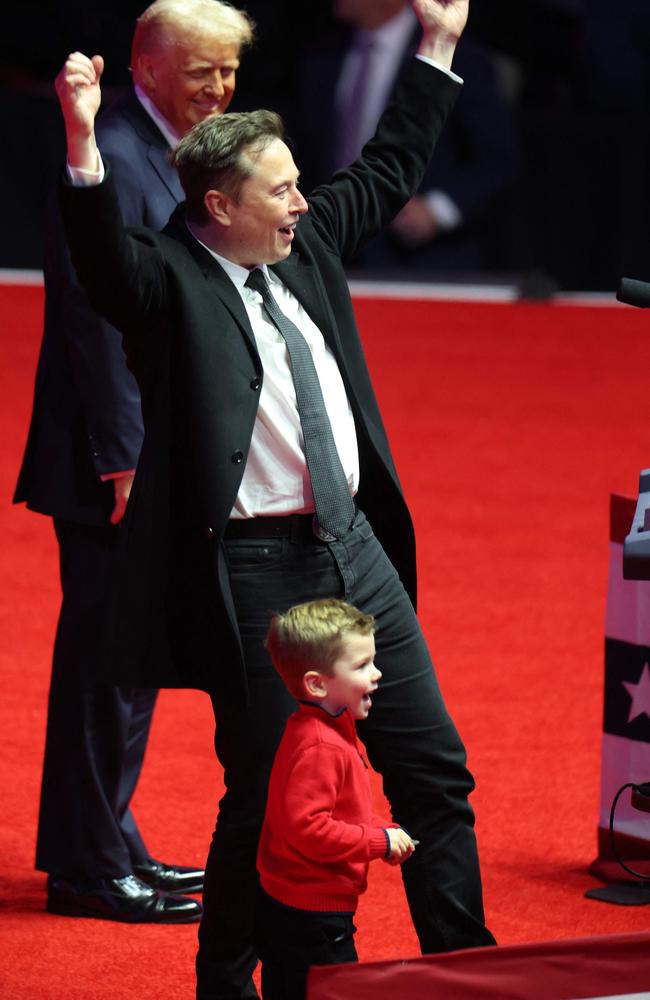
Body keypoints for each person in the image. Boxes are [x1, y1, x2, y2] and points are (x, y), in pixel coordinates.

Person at [53, 0, 496, 994]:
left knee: (433, 773)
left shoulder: (310, 243)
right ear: (220, 205)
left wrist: (435, 44)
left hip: (354, 548)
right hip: (254, 572)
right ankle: (227, 985)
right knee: (263, 795)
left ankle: (470, 976)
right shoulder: (166, 279)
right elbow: (99, 264)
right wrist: (82, 141)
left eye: (301, 185)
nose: (304, 202)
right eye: (282, 189)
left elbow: (386, 165)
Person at [13, 0, 254, 923]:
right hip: (112, 455)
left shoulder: (176, 151)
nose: (222, 89)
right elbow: (90, 314)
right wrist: (124, 457)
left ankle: (112, 842)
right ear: (148, 69)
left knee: (136, 654)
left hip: (154, 448)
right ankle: (83, 866)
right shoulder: (107, 147)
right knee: (106, 662)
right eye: (205, 72)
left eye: (231, 71)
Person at [288, 0, 520, 275]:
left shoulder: (459, 56)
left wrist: (437, 210)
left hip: (422, 263)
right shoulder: (322, 58)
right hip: (331, 252)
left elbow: (499, 157)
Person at [257, 598, 416, 1000]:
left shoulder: (324, 728)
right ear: (317, 683)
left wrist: (383, 829)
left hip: (296, 905)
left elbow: (343, 811)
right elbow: (309, 829)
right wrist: (377, 841)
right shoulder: (321, 746)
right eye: (362, 666)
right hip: (313, 914)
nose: (377, 674)